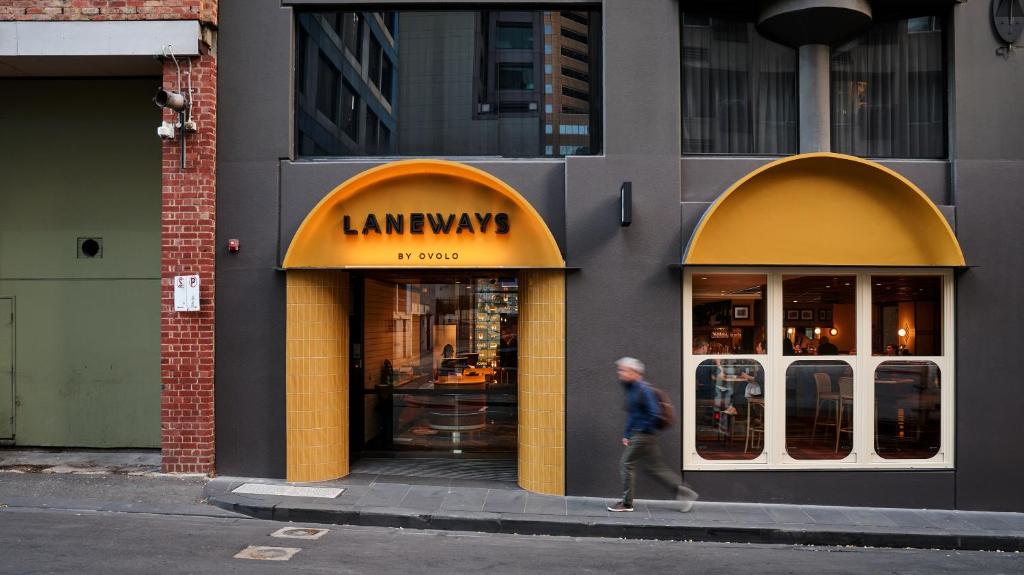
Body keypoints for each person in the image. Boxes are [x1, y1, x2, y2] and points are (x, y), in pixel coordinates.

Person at [607, 357, 698, 513]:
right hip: (643, 434)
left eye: (623, 370)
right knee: (655, 467)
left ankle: (627, 504)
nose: (619, 372)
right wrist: (627, 434)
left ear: (633, 372)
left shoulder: (644, 389)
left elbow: (654, 413)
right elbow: (633, 414)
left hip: (644, 435)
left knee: (626, 464)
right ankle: (684, 491)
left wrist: (641, 430)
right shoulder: (632, 388)